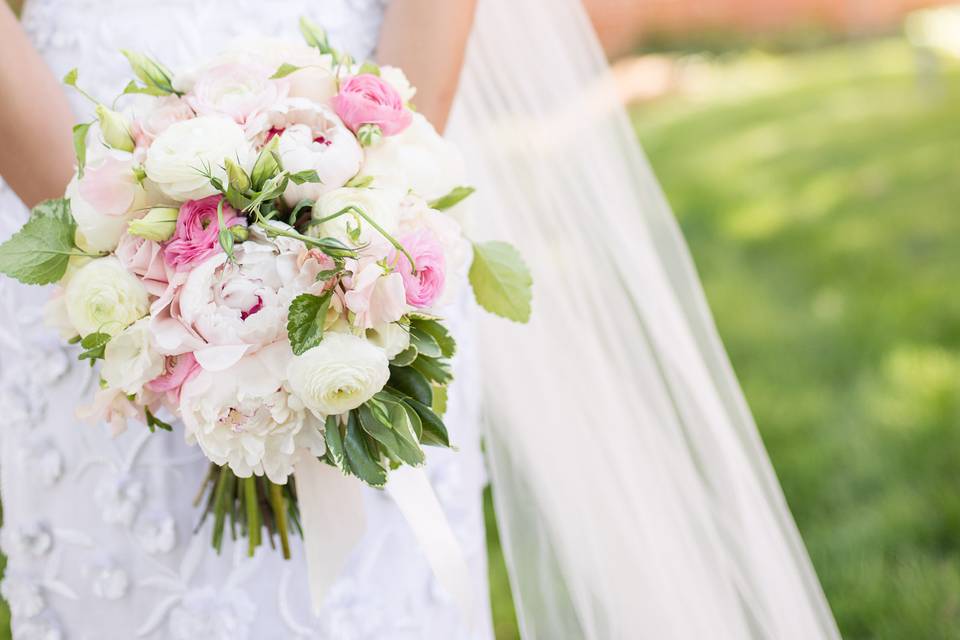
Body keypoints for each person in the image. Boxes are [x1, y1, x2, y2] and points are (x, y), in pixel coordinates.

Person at [0, 0, 842, 638]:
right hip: (74, 143)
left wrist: (373, 199)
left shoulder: (372, 195)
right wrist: (119, 248)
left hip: (358, 150)